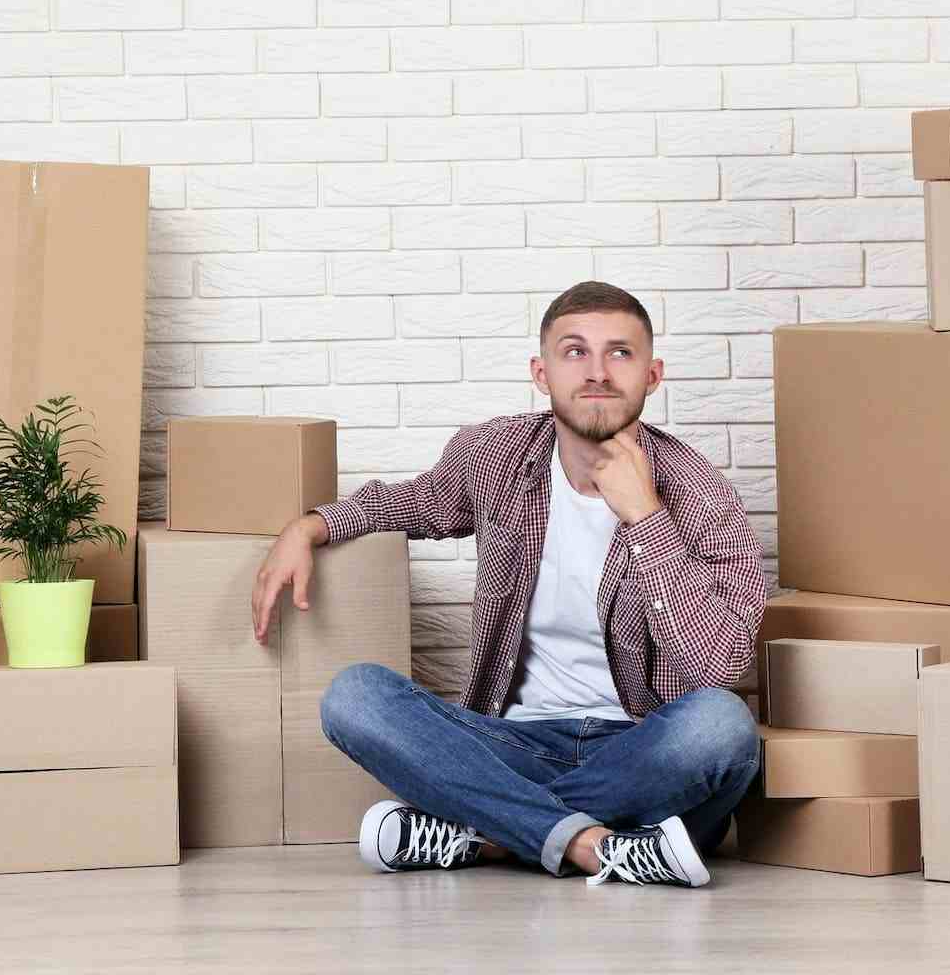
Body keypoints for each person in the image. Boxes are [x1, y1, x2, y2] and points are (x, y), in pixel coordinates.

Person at [249, 280, 766, 889]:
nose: (597, 373)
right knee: (354, 697)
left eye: (619, 353)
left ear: (652, 375)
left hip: (643, 750)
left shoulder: (703, 493)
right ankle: (603, 846)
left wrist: (646, 518)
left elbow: (718, 665)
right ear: (541, 373)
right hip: (511, 740)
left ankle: (487, 833)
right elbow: (413, 505)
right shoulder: (496, 454)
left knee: (722, 727)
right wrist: (310, 526)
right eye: (575, 352)